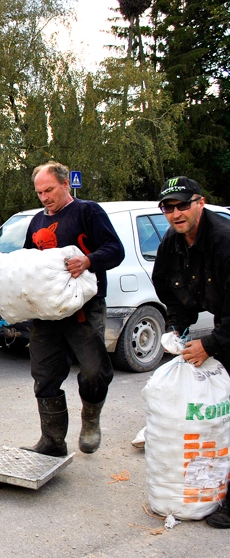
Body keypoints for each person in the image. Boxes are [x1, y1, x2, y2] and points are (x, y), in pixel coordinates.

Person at [21, 162, 125, 457]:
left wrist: (89, 260)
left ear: (65, 184)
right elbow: (28, 261)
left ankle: (90, 419)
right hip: (46, 313)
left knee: (94, 372)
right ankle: (52, 442)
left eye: (49, 190)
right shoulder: (36, 222)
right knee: (44, 376)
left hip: (84, 310)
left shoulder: (88, 212)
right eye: (40, 192)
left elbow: (115, 250)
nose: (44, 197)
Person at [151, 175, 230, 529]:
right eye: (168, 208)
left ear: (200, 203)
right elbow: (170, 290)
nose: (176, 213)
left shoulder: (224, 241)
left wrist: (210, 344)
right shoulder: (172, 242)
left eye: (182, 205)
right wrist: (177, 330)